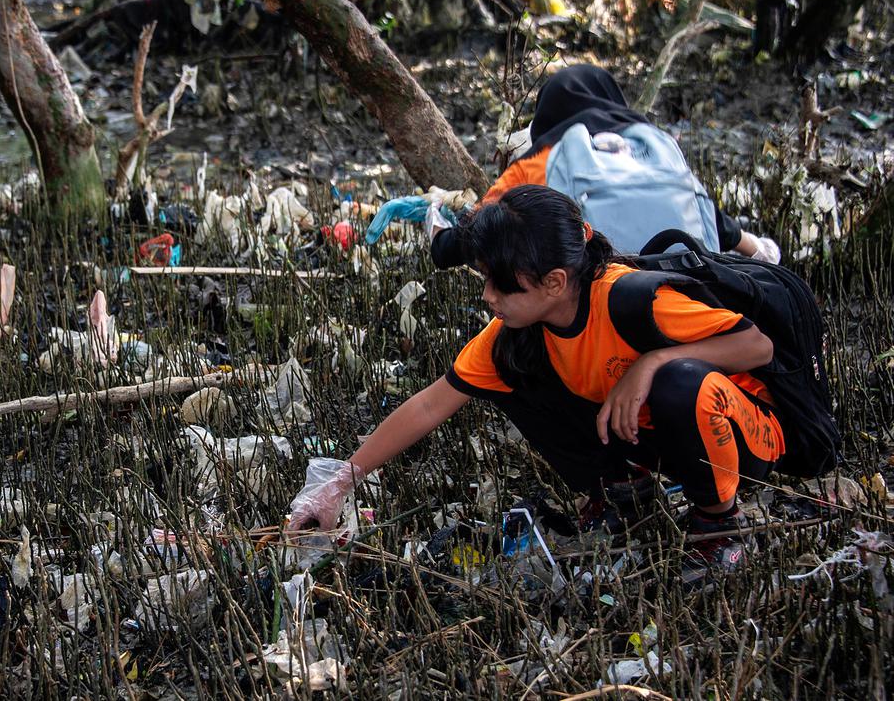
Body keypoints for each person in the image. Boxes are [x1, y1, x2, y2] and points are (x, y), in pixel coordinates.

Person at [292, 185, 788, 575]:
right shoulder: (518, 333)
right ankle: (620, 492)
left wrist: (651, 363)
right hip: (652, 436)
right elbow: (430, 405)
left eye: (500, 284)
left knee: (678, 382)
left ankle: (719, 526)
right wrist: (338, 483)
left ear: (554, 281)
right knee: (515, 378)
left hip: (741, 432)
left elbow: (755, 346)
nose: (487, 295)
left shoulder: (632, 299)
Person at [420, 64, 781, 267]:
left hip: (603, 309)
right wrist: (760, 250)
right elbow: (710, 217)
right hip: (693, 293)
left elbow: (466, 241)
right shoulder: (655, 146)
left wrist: (435, 224)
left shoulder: (542, 162)